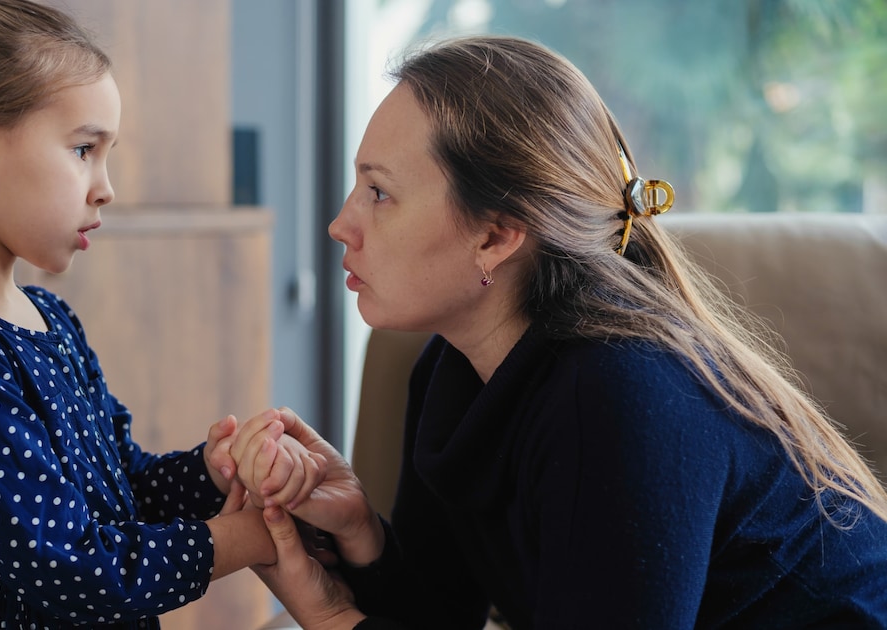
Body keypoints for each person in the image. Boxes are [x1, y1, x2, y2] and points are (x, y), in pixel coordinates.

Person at [224, 35, 887, 629]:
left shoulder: (623, 394)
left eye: (379, 193)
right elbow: (440, 611)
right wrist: (360, 532)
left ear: (496, 236)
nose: (341, 224)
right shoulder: (452, 369)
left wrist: (331, 617)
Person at [0, 1, 324, 628]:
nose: (105, 187)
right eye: (84, 149)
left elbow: (119, 493)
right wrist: (246, 538)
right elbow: (69, 566)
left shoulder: (49, 317)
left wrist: (211, 470)